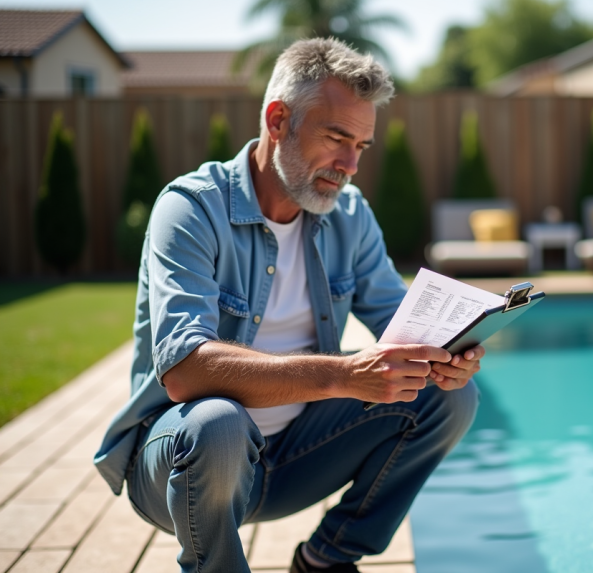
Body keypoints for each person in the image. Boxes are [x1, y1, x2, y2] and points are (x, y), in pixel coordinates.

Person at [94, 38, 482, 573]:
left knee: (449, 400)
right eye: (337, 137)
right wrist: (343, 375)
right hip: (183, 466)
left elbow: (400, 322)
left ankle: (327, 560)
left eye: (362, 146)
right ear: (278, 121)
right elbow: (184, 370)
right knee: (217, 423)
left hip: (296, 459)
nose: (349, 164)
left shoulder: (349, 214)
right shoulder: (190, 209)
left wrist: (446, 354)